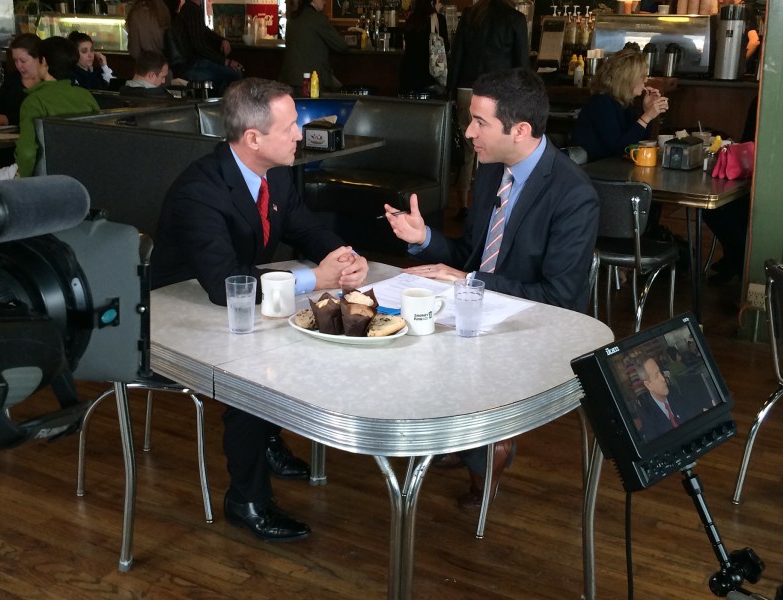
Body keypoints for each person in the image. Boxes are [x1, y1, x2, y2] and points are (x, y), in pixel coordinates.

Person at [152, 78, 369, 541]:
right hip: (179, 309)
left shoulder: (278, 172)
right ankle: (246, 500)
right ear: (253, 138)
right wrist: (318, 277)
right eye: (291, 126)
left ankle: (267, 438)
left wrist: (345, 257)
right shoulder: (200, 190)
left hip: (241, 301)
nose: (300, 134)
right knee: (251, 372)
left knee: (303, 335)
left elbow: (307, 229)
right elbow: (222, 283)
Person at [383, 67, 599, 510]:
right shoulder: (490, 171)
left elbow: (560, 299)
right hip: (479, 307)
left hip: (535, 324)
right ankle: (461, 438)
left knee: (451, 342)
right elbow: (468, 256)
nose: (468, 132)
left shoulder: (573, 194)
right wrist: (423, 239)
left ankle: (489, 447)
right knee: (406, 330)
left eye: (480, 122)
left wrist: (470, 282)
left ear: (520, 130)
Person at [0, 36, 100, 190]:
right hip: (80, 174)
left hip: (39, 176)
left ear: (43, 62)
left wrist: (22, 181)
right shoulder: (86, 96)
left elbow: (27, 153)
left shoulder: (34, 101)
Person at [447, 0, 529, 220]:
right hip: (498, 93)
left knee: (469, 148)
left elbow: (457, 56)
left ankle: (463, 204)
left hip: (467, 88)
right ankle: (491, 206)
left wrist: (450, 92)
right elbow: (521, 64)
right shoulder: (515, 18)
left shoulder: (471, 15)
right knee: (498, 149)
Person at [570, 48, 669, 163]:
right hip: (590, 171)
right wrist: (646, 117)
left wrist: (646, 110)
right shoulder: (601, 104)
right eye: (642, 76)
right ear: (627, 78)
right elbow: (620, 148)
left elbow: (639, 142)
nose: (646, 79)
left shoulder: (623, 103)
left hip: (611, 168)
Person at [172, 0, 243, 91]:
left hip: (189, 64)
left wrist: (222, 40)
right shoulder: (192, 10)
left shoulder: (189, 8)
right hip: (192, 65)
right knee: (235, 73)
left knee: (231, 73)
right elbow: (199, 46)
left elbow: (204, 30)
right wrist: (225, 61)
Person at [278, 0, 347, 94]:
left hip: (288, 81)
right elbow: (341, 46)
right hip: (310, 83)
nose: (325, 3)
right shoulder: (318, 19)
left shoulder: (293, 19)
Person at [0, 33, 42, 127]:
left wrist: (9, 119)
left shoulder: (49, 82)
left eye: (23, 61)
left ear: (39, 58)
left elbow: (44, 118)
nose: (19, 66)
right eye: (15, 61)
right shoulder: (13, 79)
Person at [399, 0, 449, 96]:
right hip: (429, 80)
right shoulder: (439, 19)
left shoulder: (411, 19)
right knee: (443, 93)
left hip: (407, 78)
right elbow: (445, 47)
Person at [635, 356, 690, 442]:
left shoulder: (673, 391)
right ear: (648, 385)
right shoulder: (646, 411)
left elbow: (690, 416)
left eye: (660, 372)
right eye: (656, 375)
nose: (663, 378)